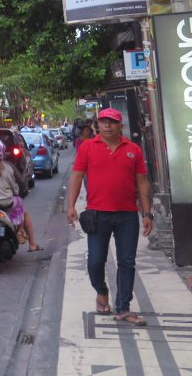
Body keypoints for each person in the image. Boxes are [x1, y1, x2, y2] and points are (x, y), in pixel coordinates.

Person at [66, 107, 153, 326]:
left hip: (127, 215)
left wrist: (147, 213)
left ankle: (123, 308)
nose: (107, 126)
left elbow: (142, 182)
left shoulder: (133, 149)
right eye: (103, 122)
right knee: (95, 261)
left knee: (127, 262)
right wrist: (71, 206)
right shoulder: (87, 147)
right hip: (97, 214)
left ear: (119, 126)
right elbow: (77, 176)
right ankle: (101, 291)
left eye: (112, 122)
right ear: (98, 125)